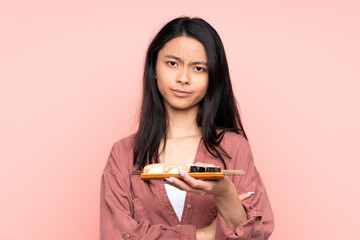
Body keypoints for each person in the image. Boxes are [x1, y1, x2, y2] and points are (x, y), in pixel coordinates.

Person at [99, 16, 274, 240]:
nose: (183, 78)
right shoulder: (123, 154)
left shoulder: (235, 148)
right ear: (154, 68)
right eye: (172, 63)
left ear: (214, 77)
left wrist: (225, 193)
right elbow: (114, 235)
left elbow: (256, 236)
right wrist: (203, 235)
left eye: (199, 68)